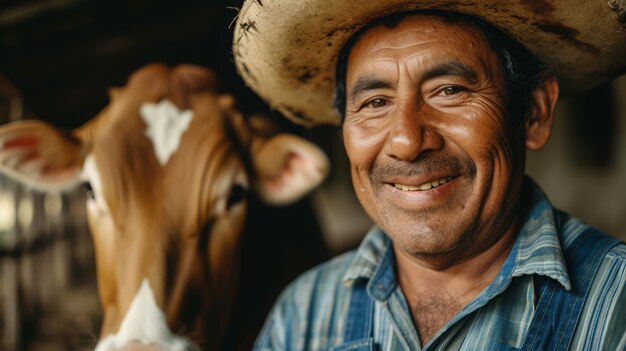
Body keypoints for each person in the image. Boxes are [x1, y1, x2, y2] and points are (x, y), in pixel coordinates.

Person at [232, 1, 626, 350]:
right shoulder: (304, 313)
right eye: (375, 102)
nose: (406, 140)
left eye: (449, 90)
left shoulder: (616, 302)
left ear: (535, 114)